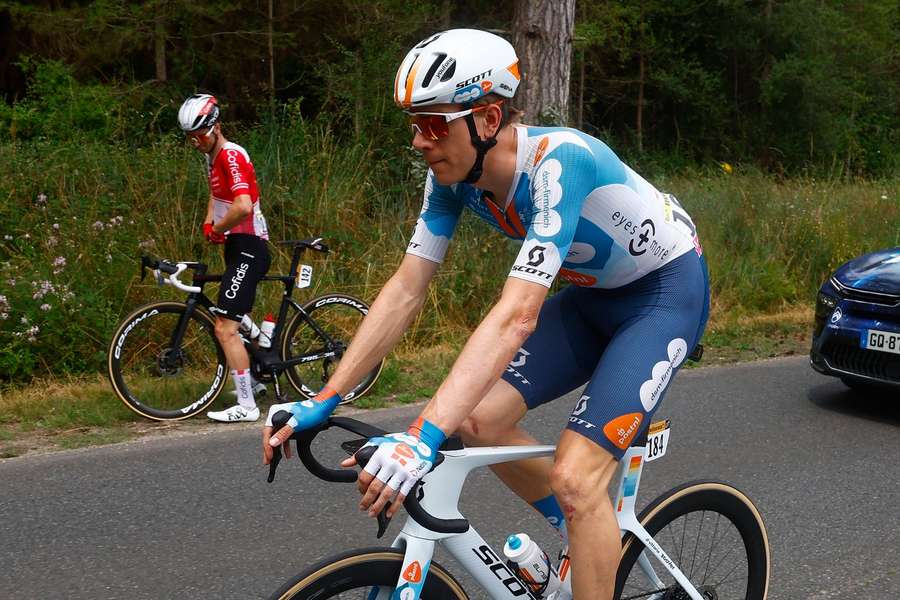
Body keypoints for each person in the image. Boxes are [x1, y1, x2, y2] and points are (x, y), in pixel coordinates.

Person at [263, 29, 709, 599]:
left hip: (664, 295)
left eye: (432, 125)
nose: (420, 142)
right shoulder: (451, 181)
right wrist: (324, 398)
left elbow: (517, 316)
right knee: (476, 423)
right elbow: (406, 289)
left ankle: (582, 512)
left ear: (489, 119)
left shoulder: (559, 163)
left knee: (577, 480)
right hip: (593, 297)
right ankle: (582, 534)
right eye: (414, 127)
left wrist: (423, 437)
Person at [178, 93, 271, 422]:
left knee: (224, 328)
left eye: (200, 136)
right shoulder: (211, 157)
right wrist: (209, 222)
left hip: (249, 245)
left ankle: (247, 406)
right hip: (237, 244)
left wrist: (218, 227)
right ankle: (262, 363)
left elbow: (242, 205)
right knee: (231, 313)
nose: (196, 143)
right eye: (190, 139)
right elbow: (216, 196)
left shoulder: (230, 155)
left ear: (216, 127)